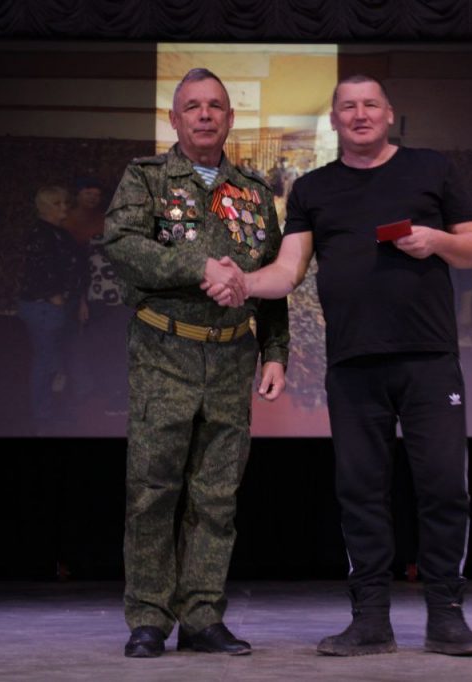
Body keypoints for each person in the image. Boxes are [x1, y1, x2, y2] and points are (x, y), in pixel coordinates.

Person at [204, 74, 472, 656]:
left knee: (443, 487)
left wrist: (436, 240)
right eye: (348, 107)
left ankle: (447, 617)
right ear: (334, 120)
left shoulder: (430, 168)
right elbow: (288, 270)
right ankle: (370, 621)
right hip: (354, 365)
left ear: (389, 113)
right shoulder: (314, 188)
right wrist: (244, 282)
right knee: (360, 492)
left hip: (429, 360)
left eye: (370, 105)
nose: (360, 114)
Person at [103, 67, 289, 659]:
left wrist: (276, 351)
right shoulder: (148, 178)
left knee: (217, 496)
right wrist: (197, 266)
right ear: (174, 119)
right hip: (165, 355)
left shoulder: (254, 191)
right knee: (152, 492)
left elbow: (273, 279)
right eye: (193, 106)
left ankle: (203, 616)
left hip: (232, 357)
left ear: (230, 119)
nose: (204, 115)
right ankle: (148, 618)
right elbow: (122, 246)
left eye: (215, 106)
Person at [16, 185, 89, 435]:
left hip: (61, 304)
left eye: (65, 202)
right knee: (46, 360)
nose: (64, 207)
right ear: (45, 207)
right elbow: (38, 271)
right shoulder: (40, 234)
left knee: (57, 359)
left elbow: (75, 268)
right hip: (44, 307)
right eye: (58, 203)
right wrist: (55, 298)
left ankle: (52, 410)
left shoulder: (61, 233)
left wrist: (79, 301)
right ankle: (44, 416)